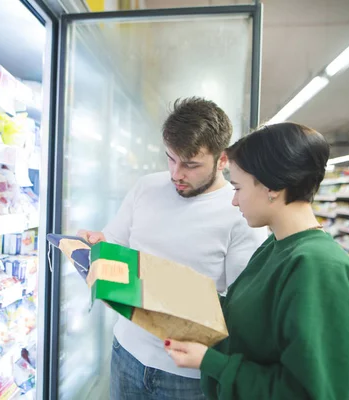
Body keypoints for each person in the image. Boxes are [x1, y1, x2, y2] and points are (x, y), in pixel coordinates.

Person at [164, 122, 349, 400]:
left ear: (272, 187)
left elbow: (309, 393)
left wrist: (211, 362)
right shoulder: (277, 245)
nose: (234, 201)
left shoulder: (319, 270)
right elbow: (255, 320)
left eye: (238, 187)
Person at [78, 97, 267, 400]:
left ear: (222, 161)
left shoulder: (242, 213)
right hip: (126, 351)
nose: (176, 173)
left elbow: (241, 308)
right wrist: (96, 246)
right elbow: (114, 240)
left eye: (191, 165)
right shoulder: (146, 188)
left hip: (188, 378)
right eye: (171, 158)